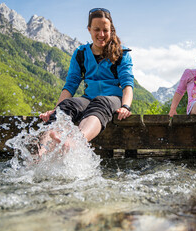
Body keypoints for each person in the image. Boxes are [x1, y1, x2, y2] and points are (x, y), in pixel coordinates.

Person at [39, 8, 134, 146]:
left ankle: (74, 143)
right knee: (67, 105)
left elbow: (127, 84)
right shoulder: (81, 53)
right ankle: (43, 152)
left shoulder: (122, 54)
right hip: (88, 98)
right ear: (89, 29)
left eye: (105, 30)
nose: (101, 34)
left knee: (101, 102)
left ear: (111, 30)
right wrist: (56, 109)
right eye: (97, 29)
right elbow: (71, 84)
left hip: (113, 99)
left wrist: (126, 106)